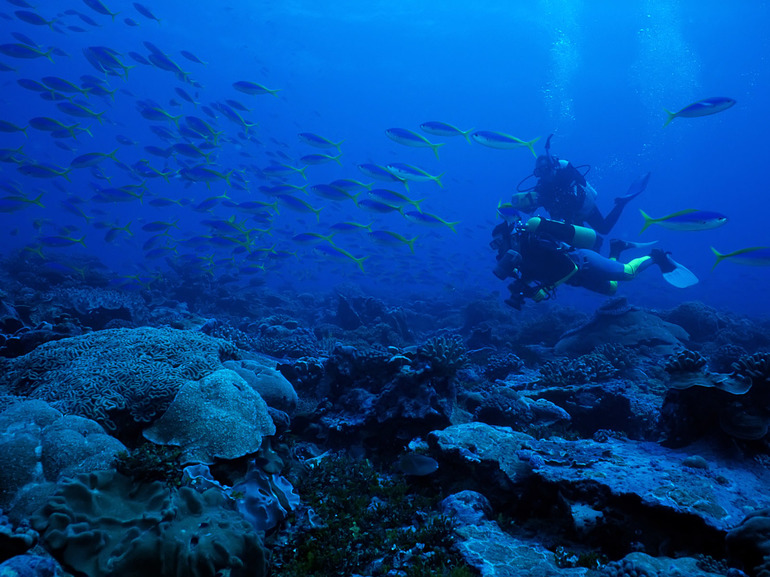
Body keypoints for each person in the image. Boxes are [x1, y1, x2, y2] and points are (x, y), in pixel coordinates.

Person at [490, 216, 697, 309]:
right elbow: (540, 287)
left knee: (628, 273)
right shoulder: (517, 261)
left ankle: (656, 257)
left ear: (510, 236)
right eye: (495, 245)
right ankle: (616, 248)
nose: (498, 249)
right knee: (612, 290)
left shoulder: (534, 242)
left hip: (584, 261)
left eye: (499, 242)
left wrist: (546, 286)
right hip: (576, 279)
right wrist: (526, 290)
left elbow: (569, 267)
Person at [510, 135, 649, 240]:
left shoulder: (565, 174)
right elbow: (533, 207)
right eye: (539, 172)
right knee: (579, 243)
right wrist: (524, 206)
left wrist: (564, 191)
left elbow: (581, 183)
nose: (543, 175)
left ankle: (621, 204)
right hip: (569, 218)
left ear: (552, 167)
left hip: (584, 207)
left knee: (604, 229)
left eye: (545, 169)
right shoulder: (541, 186)